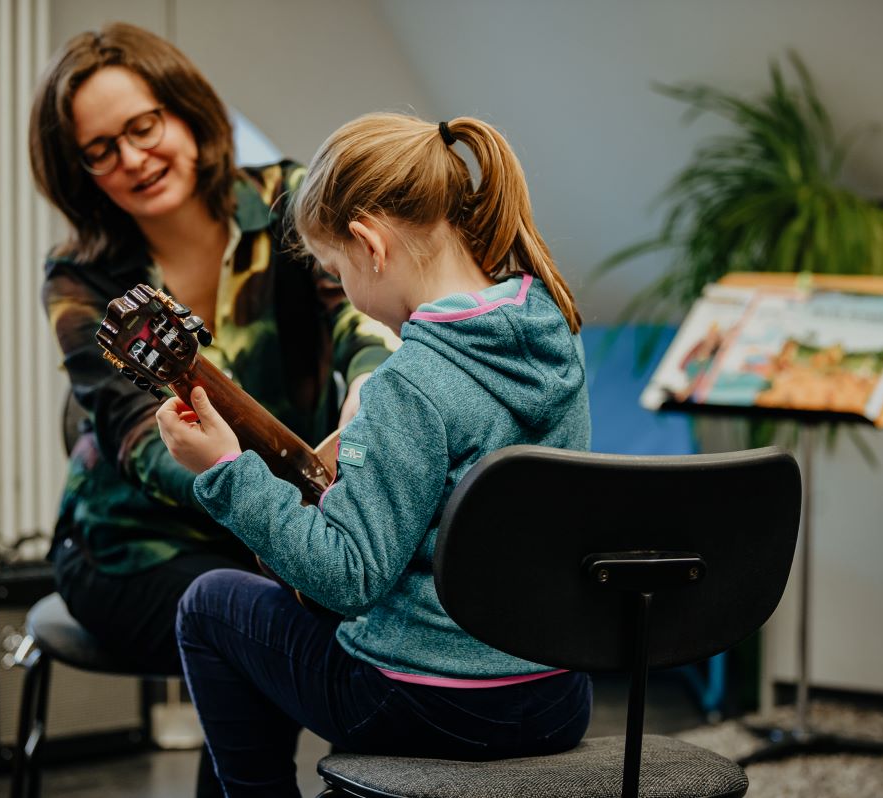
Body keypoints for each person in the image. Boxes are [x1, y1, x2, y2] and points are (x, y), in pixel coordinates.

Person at [157, 112, 593, 797]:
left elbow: (348, 576)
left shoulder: (409, 384)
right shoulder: (552, 328)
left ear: (368, 246)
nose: (345, 291)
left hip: (431, 707)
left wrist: (224, 470)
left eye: (335, 271)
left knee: (212, 606)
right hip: (556, 699)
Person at [28, 23, 395, 796]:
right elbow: (137, 439)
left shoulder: (291, 199)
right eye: (101, 150)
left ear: (187, 113)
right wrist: (259, 504)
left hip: (270, 526)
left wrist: (372, 379)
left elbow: (360, 312)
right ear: (80, 170)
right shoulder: (77, 278)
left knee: (296, 604)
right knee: (259, 618)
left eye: (143, 125)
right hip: (129, 549)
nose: (131, 158)